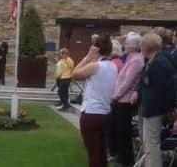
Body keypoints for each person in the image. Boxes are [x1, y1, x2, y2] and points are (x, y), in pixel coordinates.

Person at [72, 35, 118, 167]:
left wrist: (87, 57)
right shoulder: (113, 66)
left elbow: (74, 74)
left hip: (91, 113)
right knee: (102, 152)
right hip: (105, 113)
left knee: (93, 153)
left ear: (96, 49)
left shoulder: (95, 66)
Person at [131, 33, 176, 167]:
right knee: (149, 145)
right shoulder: (153, 61)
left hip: (155, 110)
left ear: (146, 47)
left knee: (152, 146)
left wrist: (169, 109)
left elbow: (167, 88)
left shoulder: (159, 63)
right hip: (150, 109)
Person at [109, 32, 144, 167]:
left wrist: (116, 96)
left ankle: (126, 160)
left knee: (124, 132)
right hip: (120, 99)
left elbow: (128, 81)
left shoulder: (136, 60)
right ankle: (119, 156)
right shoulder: (130, 58)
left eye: (127, 44)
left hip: (125, 100)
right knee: (117, 129)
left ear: (133, 46)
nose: (124, 46)